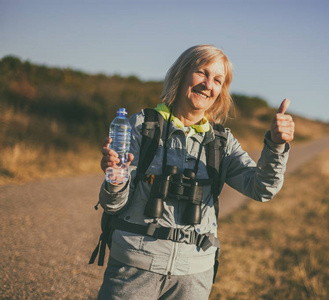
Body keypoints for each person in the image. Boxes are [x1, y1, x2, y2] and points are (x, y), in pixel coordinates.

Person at [97, 44, 295, 299]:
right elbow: (112, 206)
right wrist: (116, 179)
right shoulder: (141, 125)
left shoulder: (221, 142)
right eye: (201, 73)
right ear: (181, 74)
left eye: (217, 80)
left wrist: (276, 146)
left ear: (221, 91)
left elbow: (262, 188)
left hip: (193, 275)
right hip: (134, 268)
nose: (207, 84)